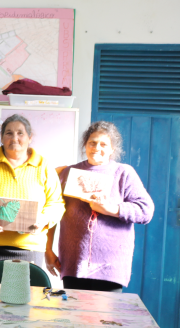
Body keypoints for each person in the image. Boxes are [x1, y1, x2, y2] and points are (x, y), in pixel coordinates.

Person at [45, 121, 153, 292]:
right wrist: (47, 249)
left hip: (110, 267)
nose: (97, 147)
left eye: (104, 144)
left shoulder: (123, 173)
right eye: (92, 143)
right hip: (74, 264)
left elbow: (146, 211)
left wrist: (110, 209)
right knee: (74, 316)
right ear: (85, 145)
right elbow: (51, 212)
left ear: (112, 149)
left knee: (104, 318)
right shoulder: (68, 173)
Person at [0, 114, 65, 281]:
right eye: (9, 133)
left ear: (29, 137)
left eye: (20, 133)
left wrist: (44, 219)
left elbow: (56, 203)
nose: (15, 138)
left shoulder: (44, 166)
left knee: (23, 298)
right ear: (2, 138)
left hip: (30, 246)